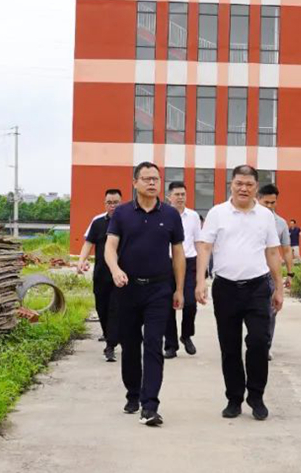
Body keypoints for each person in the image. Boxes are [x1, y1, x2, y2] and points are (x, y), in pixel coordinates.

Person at [196, 165, 284, 421]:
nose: (243, 188)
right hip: (226, 288)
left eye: (249, 184)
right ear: (231, 185)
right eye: (239, 184)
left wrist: (278, 287)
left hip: (258, 287)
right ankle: (234, 399)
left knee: (259, 342)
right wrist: (200, 281)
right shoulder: (217, 213)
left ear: (255, 187)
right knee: (229, 346)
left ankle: (256, 396)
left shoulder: (265, 216)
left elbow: (272, 252)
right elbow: (205, 247)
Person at [105, 162, 185, 427]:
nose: (152, 183)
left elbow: (178, 254)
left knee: (153, 344)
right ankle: (133, 393)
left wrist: (179, 289)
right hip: (127, 288)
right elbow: (110, 247)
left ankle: (150, 405)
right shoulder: (122, 213)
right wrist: (115, 269)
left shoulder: (171, 215)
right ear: (135, 182)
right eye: (147, 178)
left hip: (159, 289)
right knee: (130, 345)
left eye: (156, 179)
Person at [77, 189, 123, 362]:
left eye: (116, 202)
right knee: (102, 309)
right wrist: (81, 261)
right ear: (105, 204)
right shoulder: (97, 222)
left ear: (121, 203)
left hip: (121, 275)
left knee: (115, 309)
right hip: (101, 274)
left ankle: (110, 346)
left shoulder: (126, 222)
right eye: (109, 202)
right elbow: (88, 243)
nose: (113, 206)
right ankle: (110, 336)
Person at [164, 181, 202, 359]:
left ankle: (186, 335)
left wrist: (202, 268)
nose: (180, 198)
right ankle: (171, 345)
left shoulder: (193, 216)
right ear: (169, 197)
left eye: (183, 194)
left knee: (190, 303)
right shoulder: (163, 214)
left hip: (189, 262)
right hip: (166, 263)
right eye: (177, 194)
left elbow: (198, 242)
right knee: (166, 305)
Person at [257, 184, 294, 361]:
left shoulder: (280, 223)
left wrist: (290, 273)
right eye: (266, 202)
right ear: (258, 199)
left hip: (271, 274)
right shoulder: (249, 219)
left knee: (271, 311)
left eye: (273, 202)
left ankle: (266, 345)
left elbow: (286, 250)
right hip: (251, 272)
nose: (270, 206)